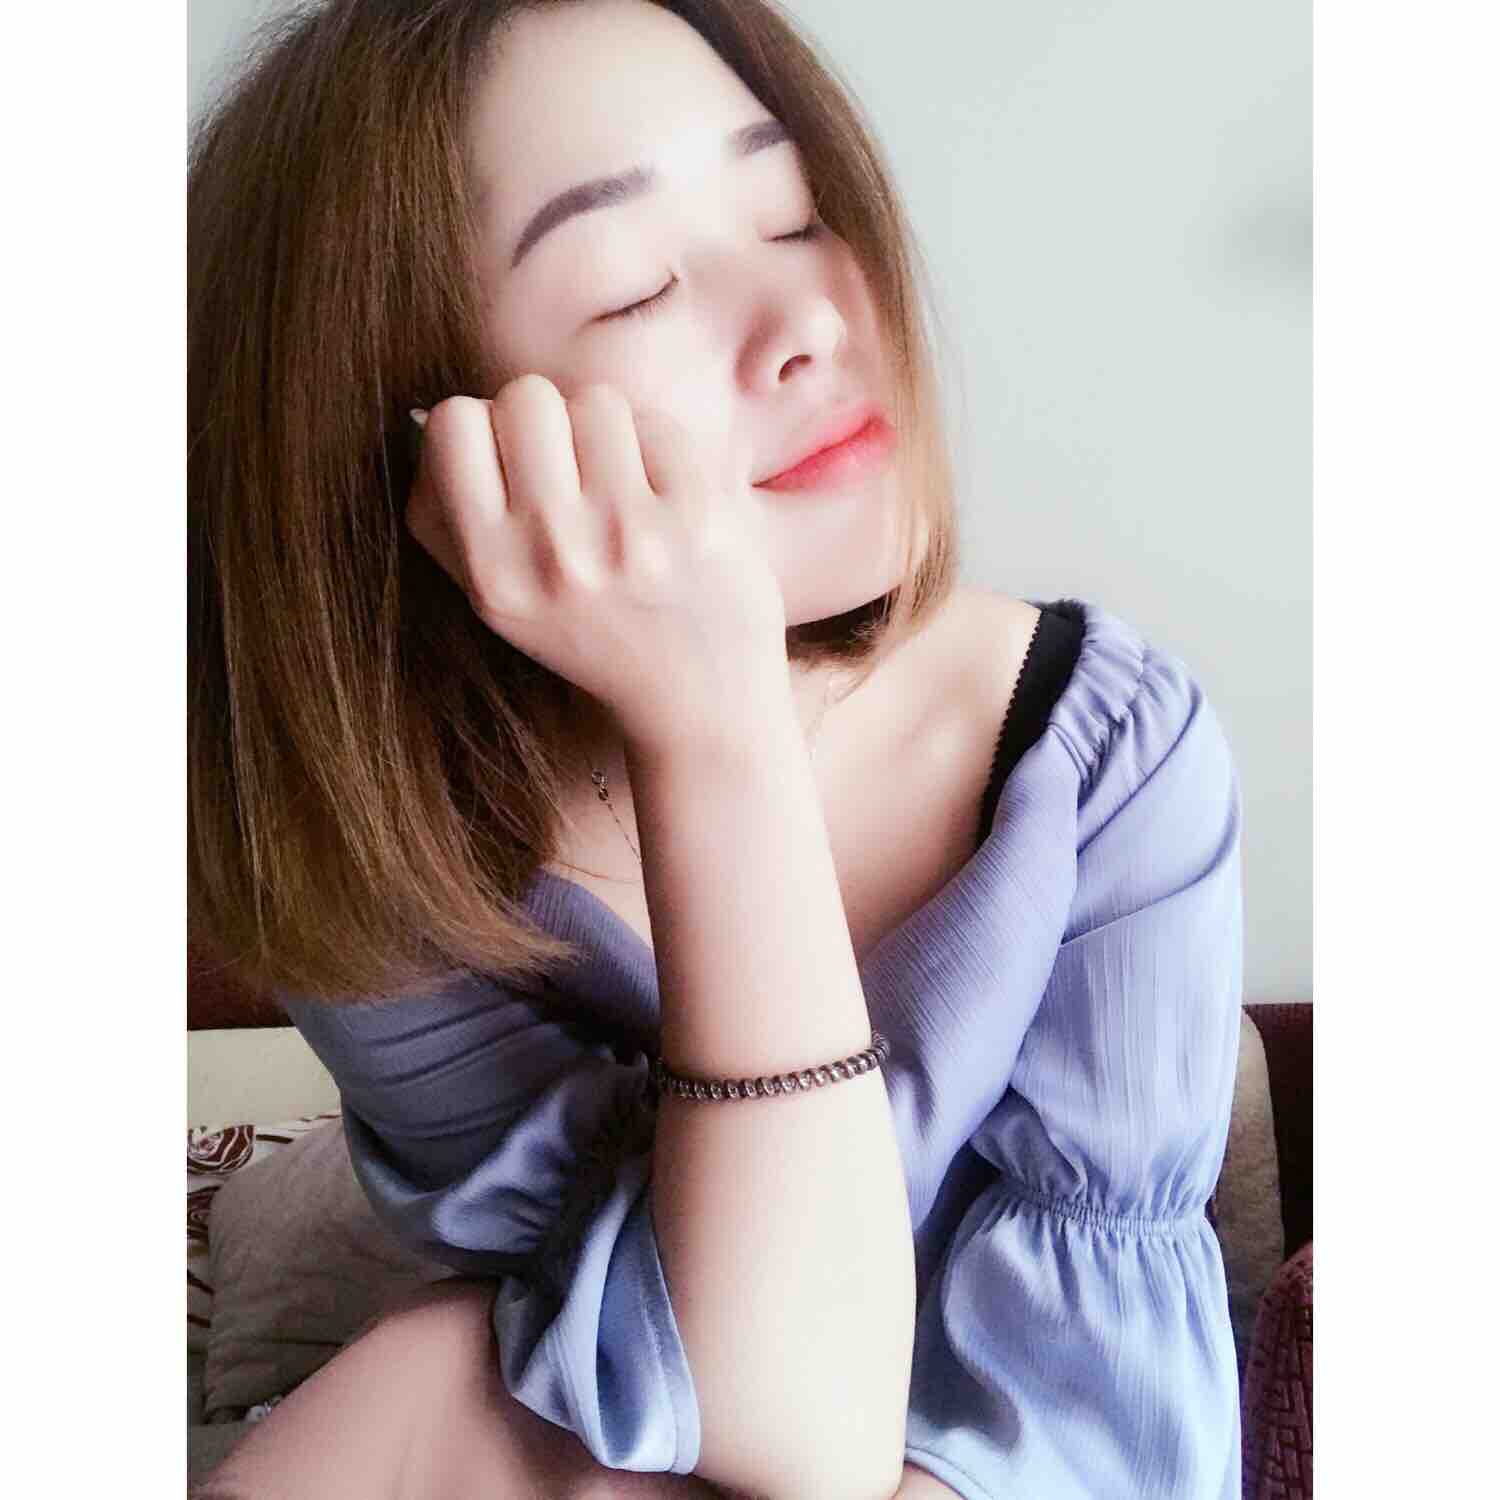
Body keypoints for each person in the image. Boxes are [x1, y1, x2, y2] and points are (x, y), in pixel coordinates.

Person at [187, 2, 1245, 1497]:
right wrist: (717, 727)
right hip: (662, 1443)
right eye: (633, 290)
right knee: (421, 1385)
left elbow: (1073, 1435)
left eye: (796, 213)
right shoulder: (382, 856)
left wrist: (715, 717)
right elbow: (739, 1395)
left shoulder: (1103, 760)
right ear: (424, 451)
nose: (810, 320)